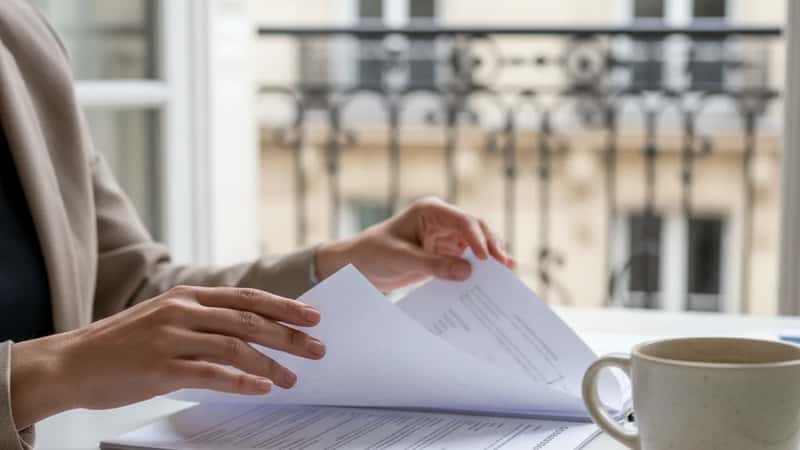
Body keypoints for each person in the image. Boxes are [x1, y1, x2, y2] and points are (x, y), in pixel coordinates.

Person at [0, 2, 514, 449]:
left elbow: (134, 292)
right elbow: (92, 349)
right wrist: (53, 370)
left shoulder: (23, 43)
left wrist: (337, 267)